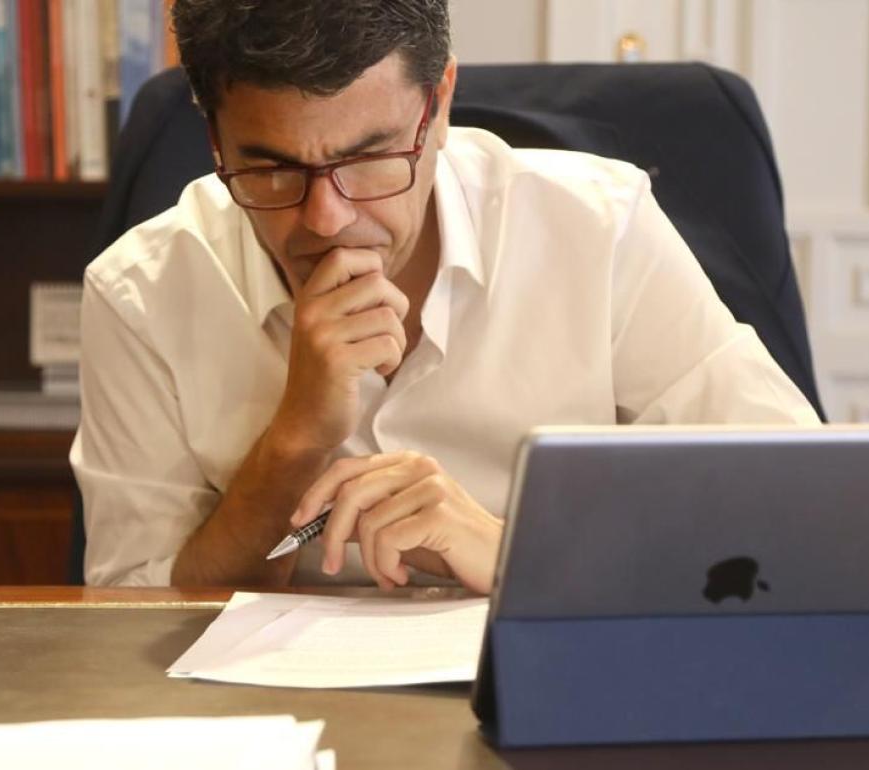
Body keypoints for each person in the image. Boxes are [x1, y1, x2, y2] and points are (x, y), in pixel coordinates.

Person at [69, 0, 820, 590]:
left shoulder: (599, 231)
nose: (328, 220)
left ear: (441, 104)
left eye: (369, 158)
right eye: (270, 170)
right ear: (214, 138)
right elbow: (129, 614)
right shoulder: (141, 293)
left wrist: (512, 552)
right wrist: (292, 445)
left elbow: (798, 507)